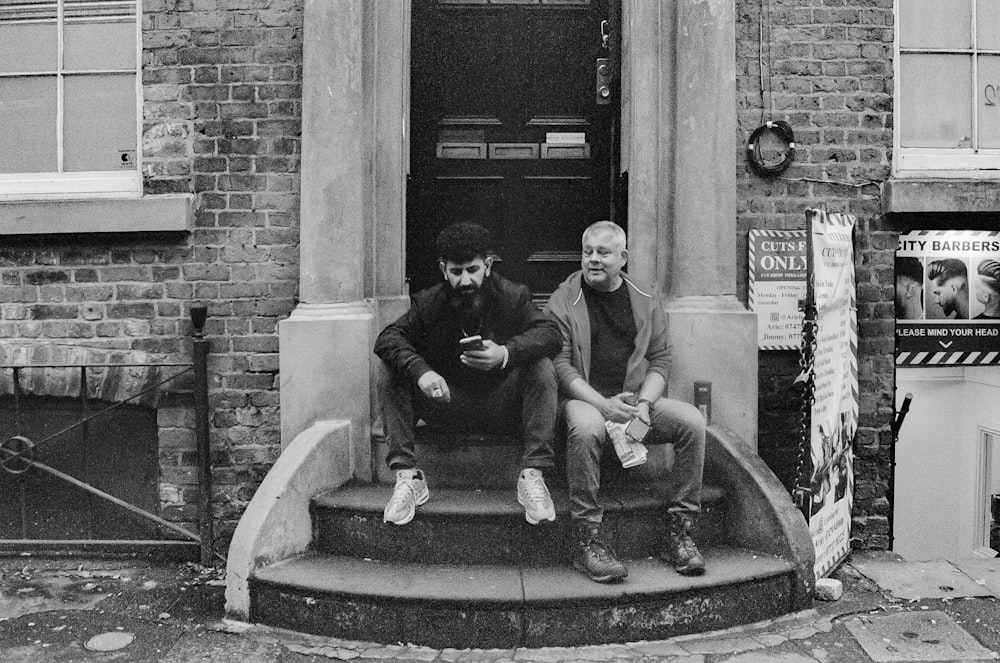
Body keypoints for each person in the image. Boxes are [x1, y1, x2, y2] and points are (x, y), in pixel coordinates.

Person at [545, 221, 706, 583]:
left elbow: (661, 358)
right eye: (588, 252)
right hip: (584, 397)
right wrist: (603, 406)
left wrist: (645, 406)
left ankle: (679, 530)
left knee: (692, 422)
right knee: (587, 429)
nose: (593, 260)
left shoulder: (645, 297)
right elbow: (560, 367)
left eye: (603, 253)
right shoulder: (563, 299)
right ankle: (587, 536)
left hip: (634, 399)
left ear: (623, 257)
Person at [374, 222, 561, 526]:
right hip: (446, 405)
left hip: (502, 406)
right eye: (456, 271)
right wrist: (422, 372)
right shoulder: (429, 302)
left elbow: (550, 334)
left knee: (541, 365)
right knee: (391, 368)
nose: (465, 280)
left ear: (487, 266)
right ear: (443, 270)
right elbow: (388, 338)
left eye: (472, 270)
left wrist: (505, 353)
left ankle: (533, 476)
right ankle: (408, 478)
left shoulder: (513, 296)